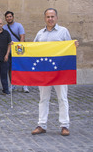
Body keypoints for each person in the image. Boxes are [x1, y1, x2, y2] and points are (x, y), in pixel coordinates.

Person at [31, 8, 79, 137]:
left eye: (52, 16)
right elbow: (33, 49)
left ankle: (64, 125)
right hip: (44, 72)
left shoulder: (63, 32)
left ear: (56, 18)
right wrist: (18, 47)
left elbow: (69, 49)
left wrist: (74, 45)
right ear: (44, 18)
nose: (50, 19)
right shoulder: (40, 33)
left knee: (62, 98)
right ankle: (41, 125)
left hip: (59, 72)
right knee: (43, 99)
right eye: (48, 17)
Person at [3, 11, 29, 93]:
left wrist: (19, 50)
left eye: (10, 16)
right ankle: (13, 84)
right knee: (10, 68)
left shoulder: (19, 25)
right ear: (5, 18)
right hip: (9, 51)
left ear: (13, 17)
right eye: (7, 17)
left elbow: (22, 37)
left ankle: (25, 85)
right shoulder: (4, 27)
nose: (9, 18)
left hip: (18, 51)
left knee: (21, 68)